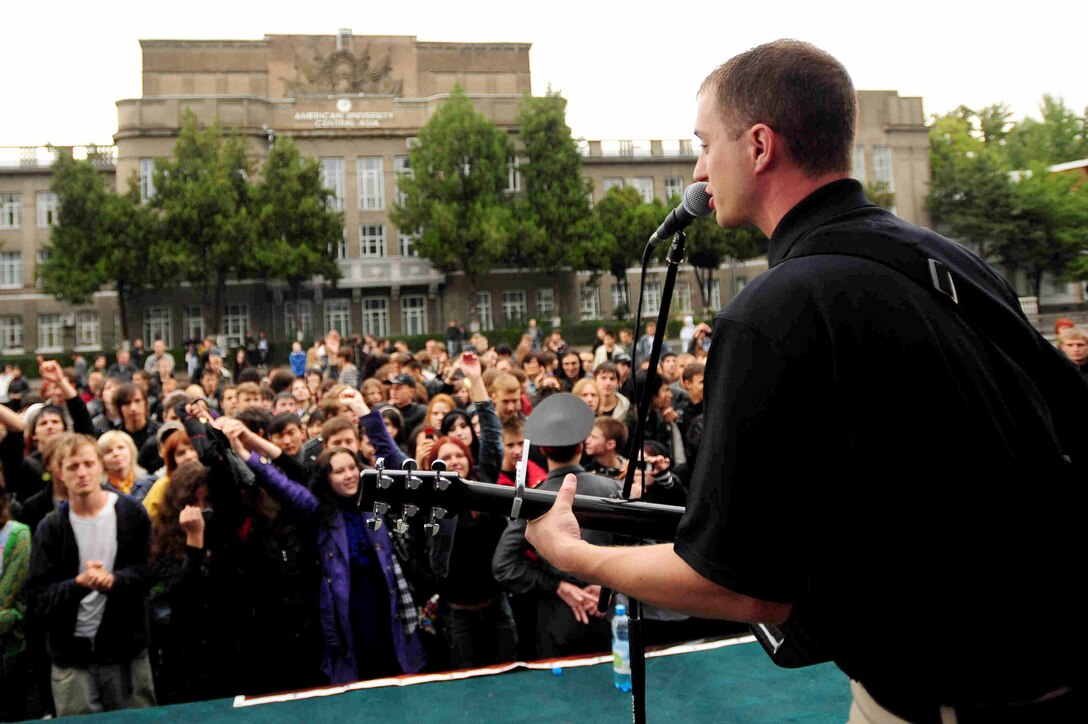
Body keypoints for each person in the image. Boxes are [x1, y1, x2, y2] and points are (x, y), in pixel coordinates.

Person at [524, 39, 1086, 723]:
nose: (699, 171)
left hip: (948, 700)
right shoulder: (952, 261)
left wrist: (576, 554)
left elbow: (743, 588)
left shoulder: (777, 310)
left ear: (759, 146)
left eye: (705, 144)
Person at [27, 433, 156, 716]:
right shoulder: (51, 528)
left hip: (126, 653)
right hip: (72, 658)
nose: (82, 473)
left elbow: (150, 573)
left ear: (100, 465)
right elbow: (37, 597)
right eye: (73, 467)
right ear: (59, 472)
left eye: (88, 463)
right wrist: (78, 584)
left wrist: (114, 580)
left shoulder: (131, 513)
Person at [492, 393, 620, 660]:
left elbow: (504, 565)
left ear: (542, 450)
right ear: (582, 446)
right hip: (611, 613)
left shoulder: (533, 499)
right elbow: (639, 547)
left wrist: (558, 586)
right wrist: (610, 585)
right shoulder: (612, 489)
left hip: (558, 621)